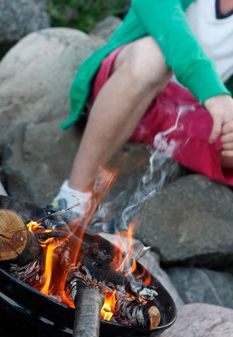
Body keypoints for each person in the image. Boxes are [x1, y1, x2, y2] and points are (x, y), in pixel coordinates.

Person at [52, 0, 233, 219]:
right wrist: (212, 91)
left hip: (185, 115)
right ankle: (72, 200)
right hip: (127, 82)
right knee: (153, 56)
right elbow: (157, 10)